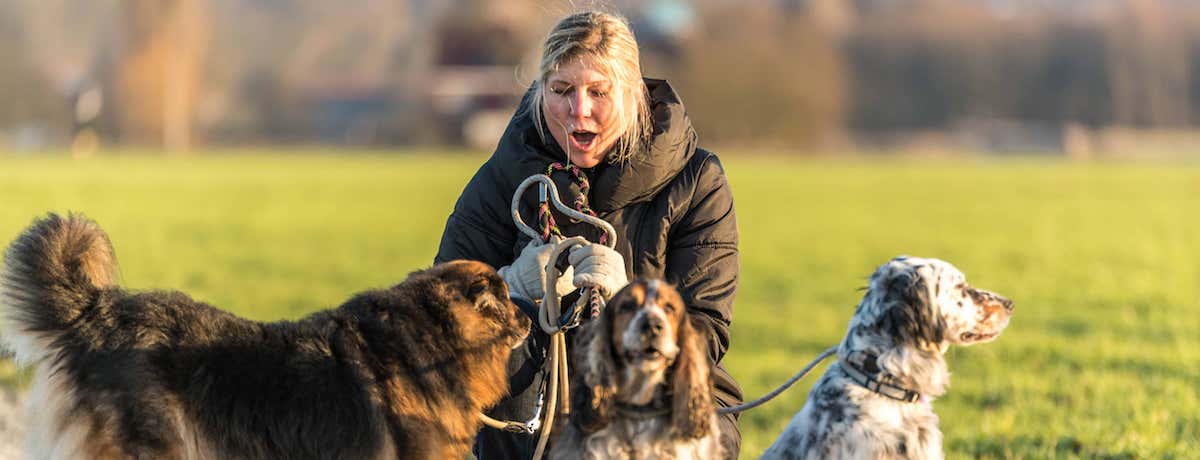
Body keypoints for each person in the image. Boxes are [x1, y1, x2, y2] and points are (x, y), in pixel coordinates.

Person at [435, 10, 743, 459]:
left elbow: (706, 330)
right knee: (509, 351)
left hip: (658, 392)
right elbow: (437, 318)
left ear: (635, 93)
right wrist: (507, 287)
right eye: (561, 90)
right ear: (540, 91)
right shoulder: (503, 178)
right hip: (537, 399)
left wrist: (632, 303)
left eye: (599, 92)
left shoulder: (698, 181)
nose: (579, 109)